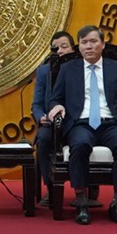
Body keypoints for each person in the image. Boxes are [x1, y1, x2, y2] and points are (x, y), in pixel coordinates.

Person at [44, 24, 117, 225]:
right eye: (84, 42)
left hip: (110, 123)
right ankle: (82, 203)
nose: (89, 46)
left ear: (103, 44)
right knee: (79, 145)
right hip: (81, 123)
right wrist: (56, 106)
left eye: (93, 41)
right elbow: (55, 98)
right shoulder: (68, 69)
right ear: (79, 46)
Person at [30, 31, 76, 209]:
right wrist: (41, 117)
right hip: (51, 124)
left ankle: (88, 187)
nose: (60, 51)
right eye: (56, 48)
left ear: (73, 49)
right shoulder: (44, 71)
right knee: (43, 139)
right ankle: (51, 187)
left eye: (64, 46)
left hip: (75, 123)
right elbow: (36, 104)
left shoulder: (81, 68)